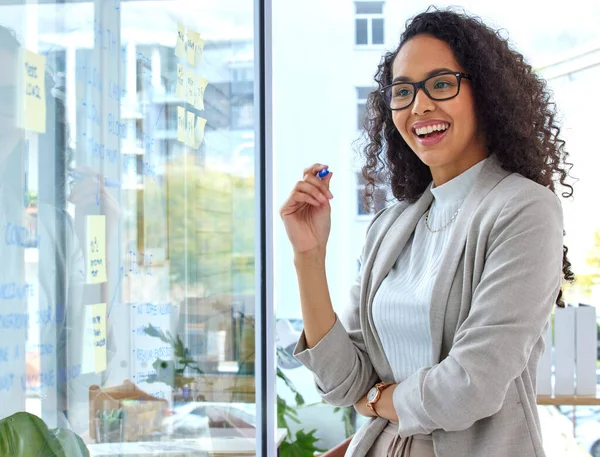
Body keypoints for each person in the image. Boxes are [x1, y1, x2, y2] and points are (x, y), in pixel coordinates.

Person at [280, 7, 574, 457]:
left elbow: (469, 387)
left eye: (440, 84)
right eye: (403, 91)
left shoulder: (524, 209)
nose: (419, 106)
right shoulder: (391, 225)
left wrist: (377, 399)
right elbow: (343, 383)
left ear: (486, 93)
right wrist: (309, 257)